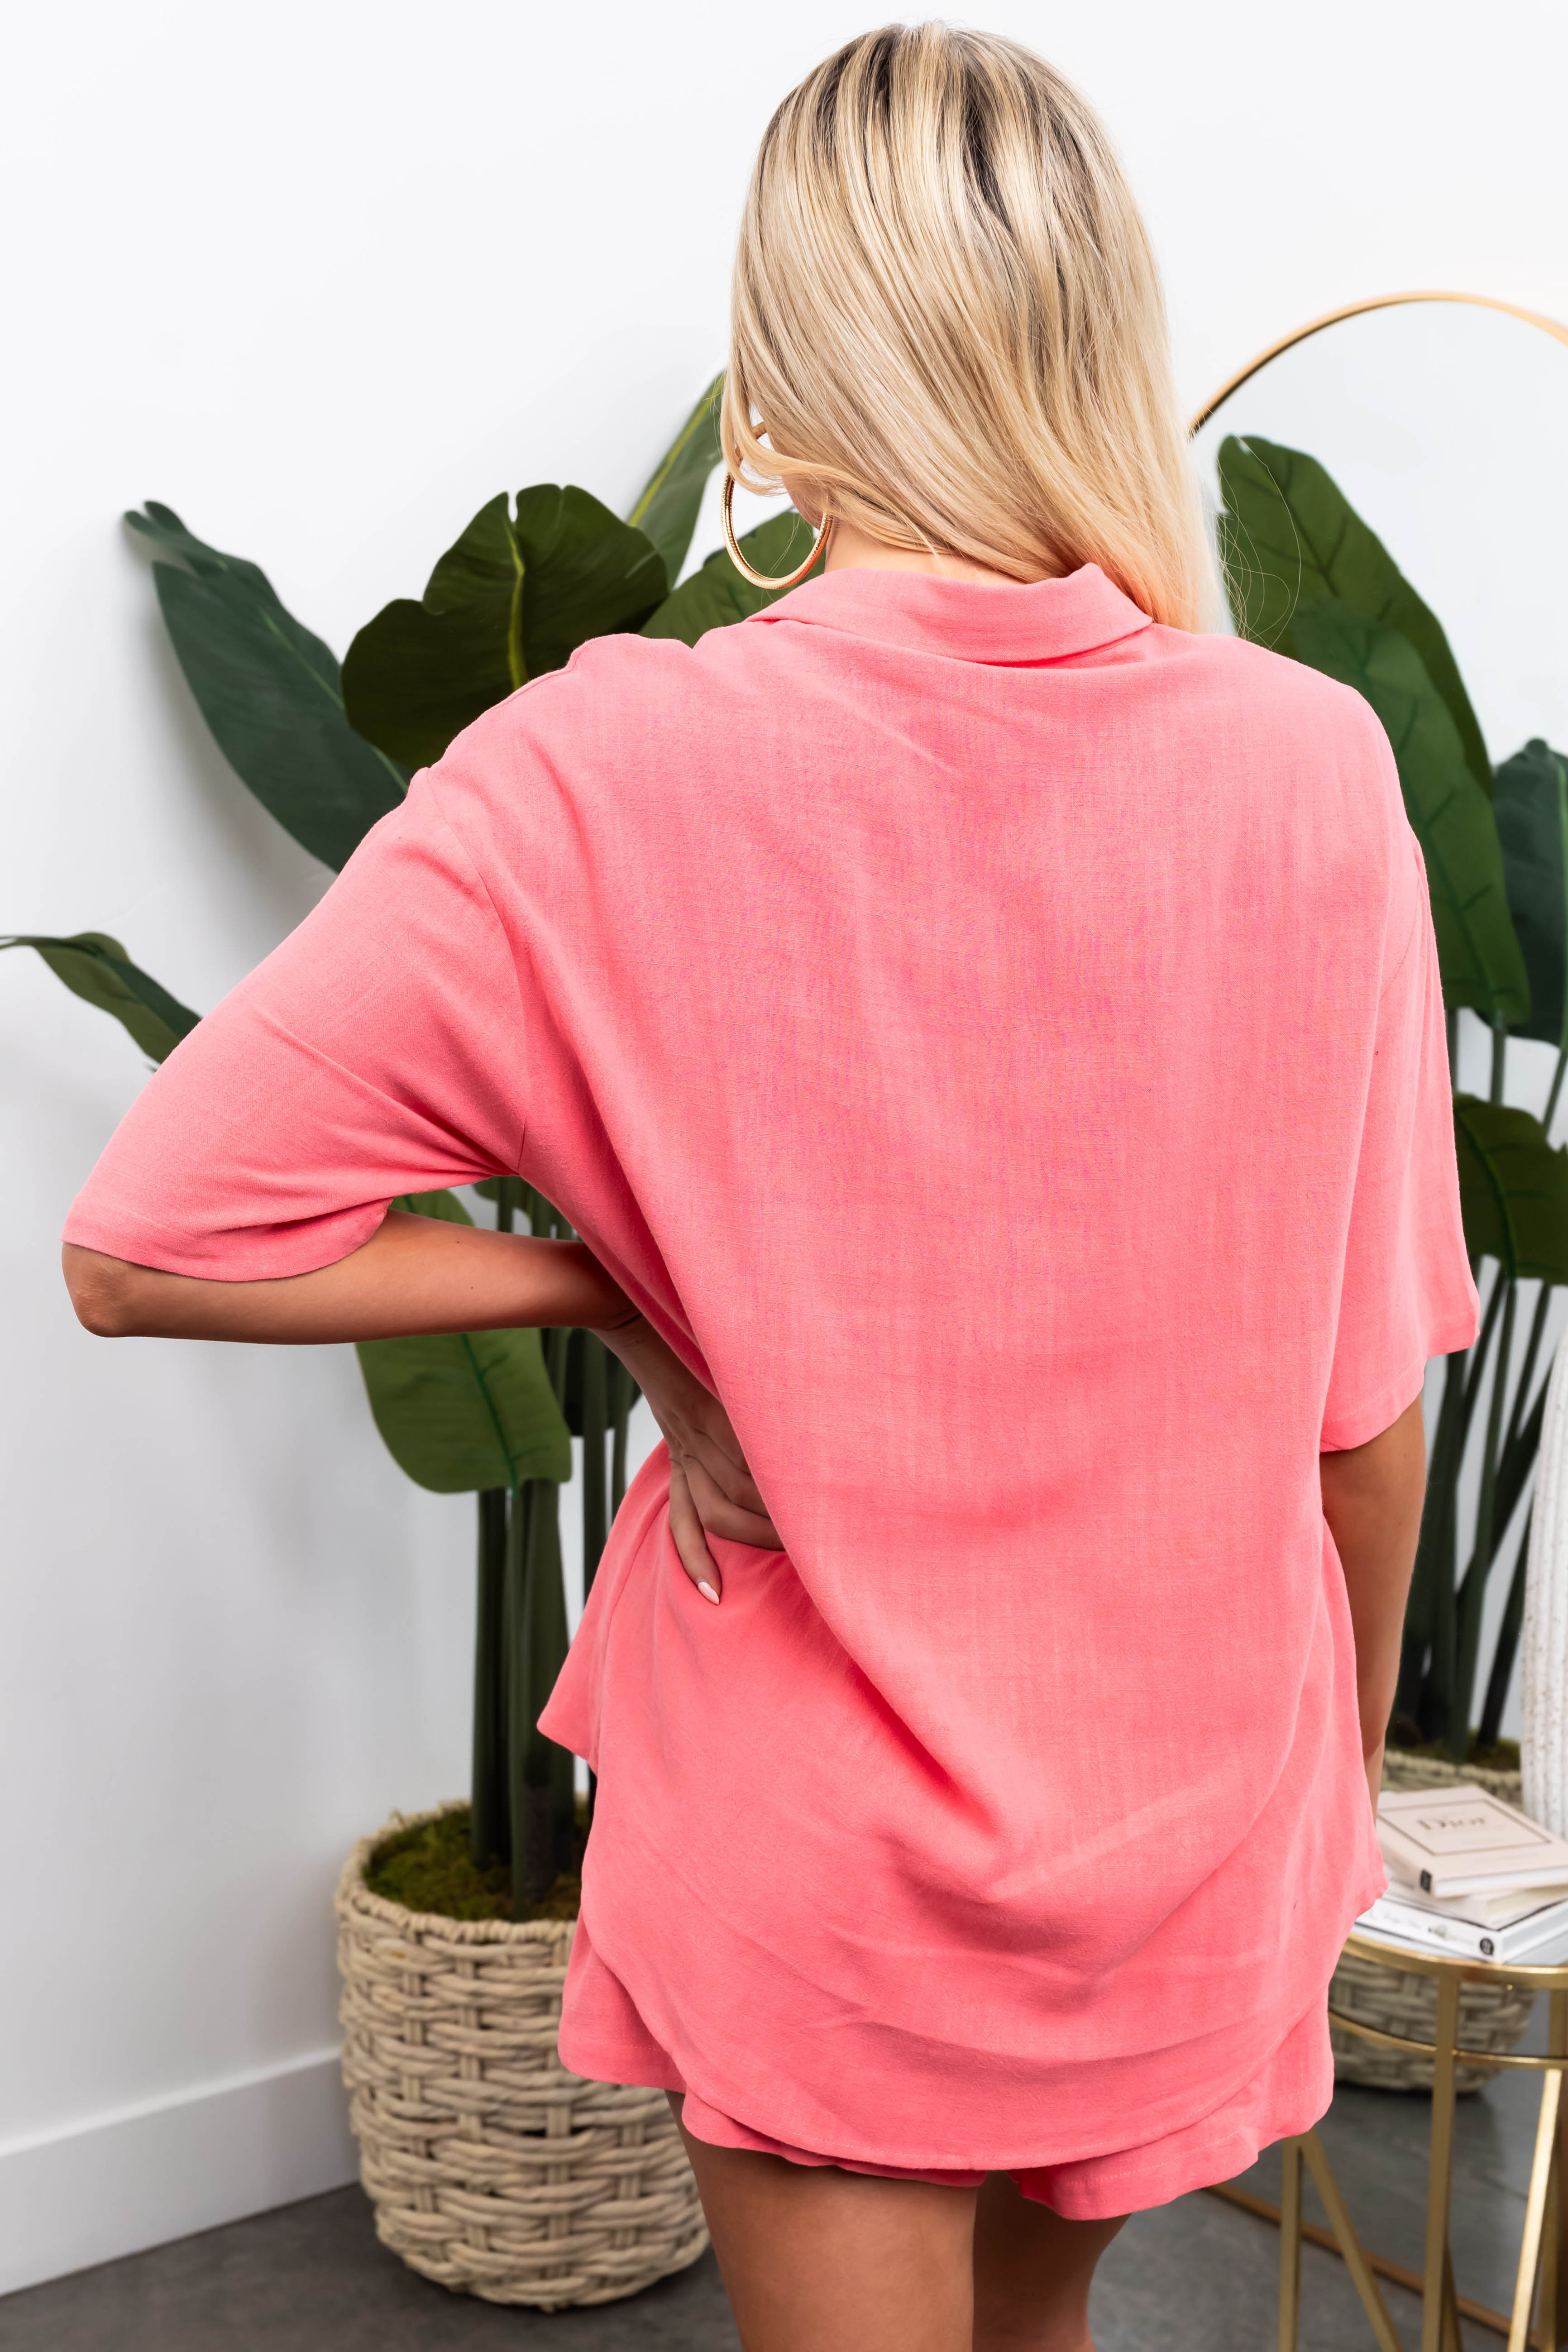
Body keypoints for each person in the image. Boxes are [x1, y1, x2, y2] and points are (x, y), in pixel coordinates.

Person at [61, 24, 1473, 2352]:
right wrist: (1319, 1773)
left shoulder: (608, 764)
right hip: (1194, 1827)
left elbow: (150, 1240)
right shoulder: (1313, 773)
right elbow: (1360, 1418)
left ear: (776, 369)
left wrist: (600, 1292)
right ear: (1094, 349)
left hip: (826, 1852)